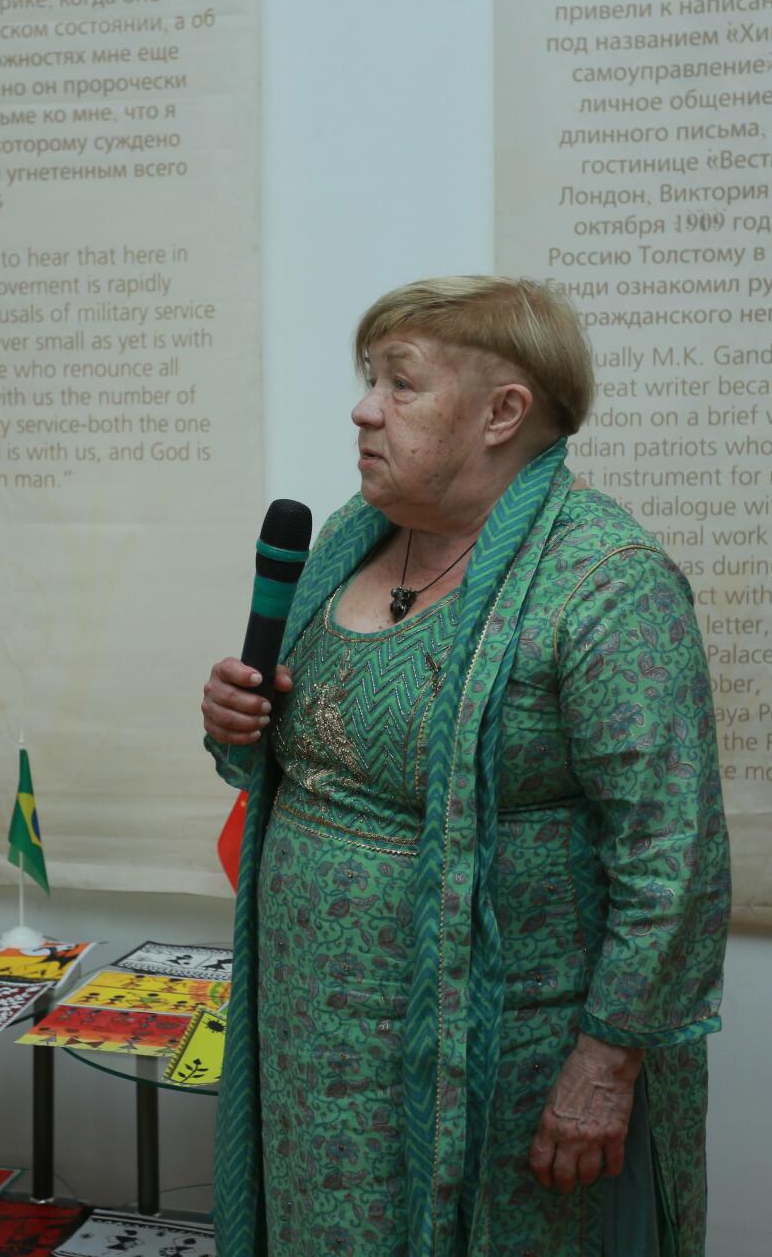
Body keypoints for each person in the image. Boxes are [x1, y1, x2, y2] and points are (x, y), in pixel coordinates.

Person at [200, 276, 731, 1256]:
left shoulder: (606, 583)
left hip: (499, 1060)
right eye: (370, 380)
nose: (365, 410)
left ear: (502, 413)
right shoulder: (348, 540)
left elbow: (674, 853)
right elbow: (301, 755)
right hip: (311, 1041)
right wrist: (239, 722)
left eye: (400, 384)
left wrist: (607, 1063)